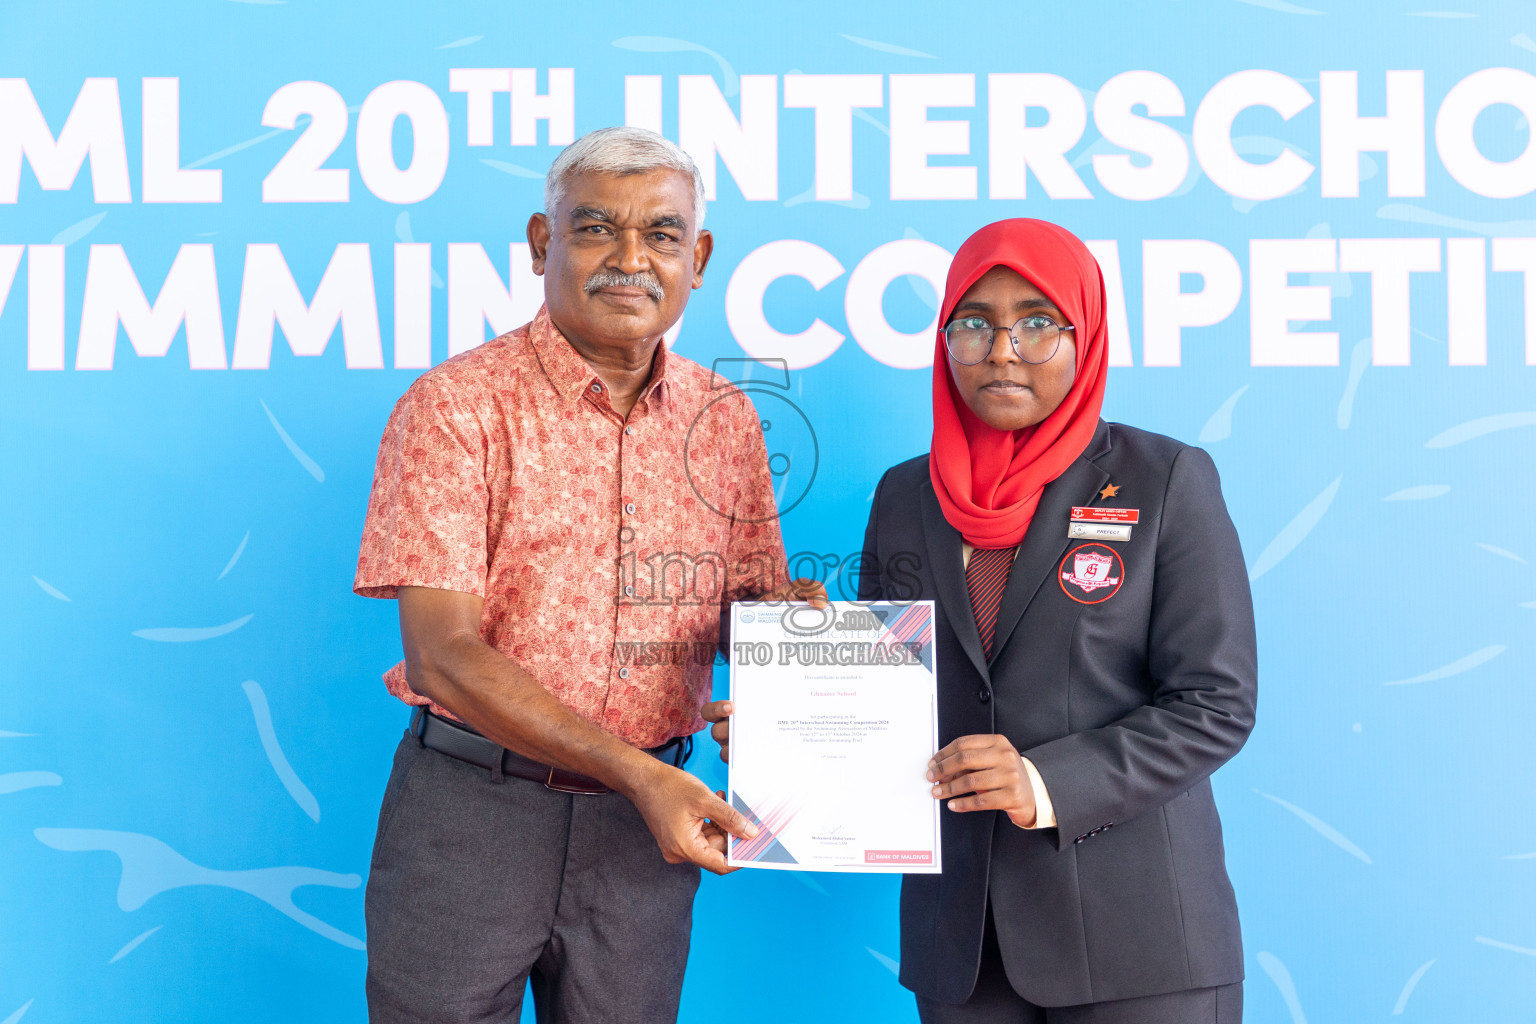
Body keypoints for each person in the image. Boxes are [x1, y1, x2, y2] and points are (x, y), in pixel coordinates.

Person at [707, 218, 1255, 1022]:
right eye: (975, 324)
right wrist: (783, 727)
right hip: (961, 949)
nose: (1002, 349)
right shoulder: (907, 495)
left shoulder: (1165, 479)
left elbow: (1216, 704)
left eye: (1037, 323)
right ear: (945, 343)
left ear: (1086, 333)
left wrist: (1040, 781)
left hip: (1141, 946)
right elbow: (888, 702)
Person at [353, 126, 824, 1024]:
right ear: (543, 243)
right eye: (596, 228)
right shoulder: (454, 407)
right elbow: (443, 654)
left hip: (644, 837)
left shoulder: (726, 419)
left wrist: (792, 639)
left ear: (700, 258)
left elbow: (742, 612)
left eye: (662, 234)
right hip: (473, 815)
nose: (630, 259)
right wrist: (639, 778)